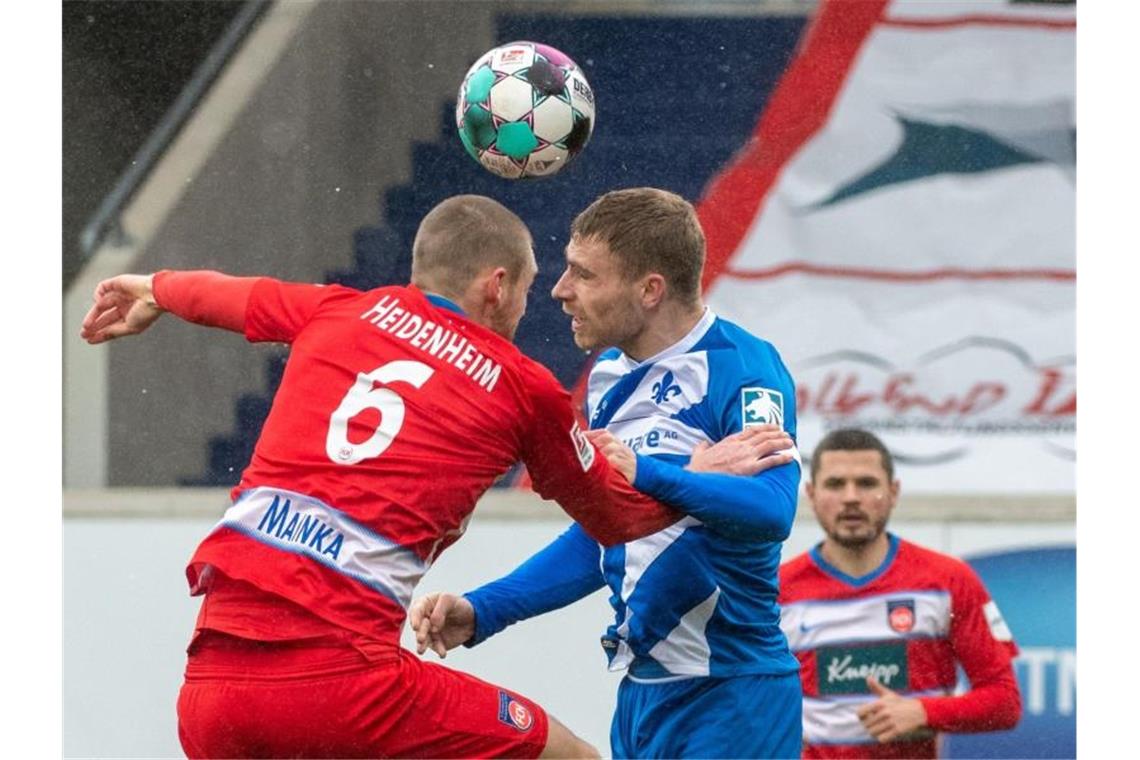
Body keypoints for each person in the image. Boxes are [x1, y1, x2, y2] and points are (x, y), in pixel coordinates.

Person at [79, 195, 784, 759]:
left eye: (581, 276)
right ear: (496, 285)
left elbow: (242, 297)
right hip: (343, 686)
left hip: (209, 693)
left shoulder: (341, 310)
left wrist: (157, 287)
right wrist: (684, 470)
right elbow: (615, 522)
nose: (559, 294)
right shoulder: (527, 387)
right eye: (546, 279)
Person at [411, 187, 805, 759]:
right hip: (643, 694)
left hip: (734, 694)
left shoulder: (743, 368)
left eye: (584, 275)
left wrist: (649, 472)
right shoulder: (607, 376)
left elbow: (773, 510)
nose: (560, 291)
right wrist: (485, 610)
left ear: (650, 290)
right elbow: (607, 531)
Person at [779, 428, 1022, 758]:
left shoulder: (949, 580)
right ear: (811, 494)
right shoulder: (778, 591)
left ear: (893, 492)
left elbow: (1005, 701)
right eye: (835, 484)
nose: (851, 497)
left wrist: (924, 712)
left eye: (867, 483)